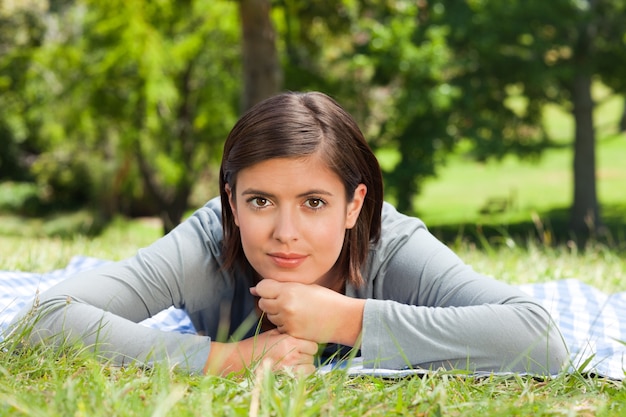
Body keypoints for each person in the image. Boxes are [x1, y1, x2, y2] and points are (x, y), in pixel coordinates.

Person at [11, 91, 568, 376]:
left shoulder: (388, 244)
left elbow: (539, 340)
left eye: (314, 203)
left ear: (354, 205)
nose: (285, 233)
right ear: (231, 200)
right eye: (260, 201)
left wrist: (347, 319)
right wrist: (228, 361)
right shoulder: (209, 242)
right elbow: (42, 318)